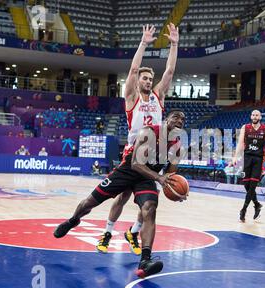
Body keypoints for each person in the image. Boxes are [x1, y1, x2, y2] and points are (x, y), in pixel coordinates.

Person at [53, 111, 186, 278]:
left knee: (150, 208)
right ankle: (73, 220)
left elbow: (171, 176)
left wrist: (176, 192)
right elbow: (137, 164)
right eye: (176, 117)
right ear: (166, 120)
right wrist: (159, 177)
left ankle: (145, 260)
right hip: (128, 170)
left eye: (183, 119)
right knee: (89, 203)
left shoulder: (178, 147)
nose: (179, 121)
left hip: (146, 178)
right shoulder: (149, 131)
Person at [95, 23, 179, 254]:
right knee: (121, 197)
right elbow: (132, 70)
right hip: (133, 153)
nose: (148, 81)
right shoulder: (132, 98)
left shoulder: (158, 96)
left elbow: (170, 71)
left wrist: (174, 44)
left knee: (148, 204)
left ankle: (132, 232)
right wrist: (143, 43)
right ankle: (107, 233)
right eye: (144, 78)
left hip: (154, 155)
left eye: (150, 78)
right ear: (138, 80)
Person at [232, 110, 265, 222]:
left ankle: (244, 210)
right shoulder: (245, 127)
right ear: (251, 116)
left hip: (258, 159)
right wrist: (235, 156)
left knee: (252, 185)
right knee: (246, 184)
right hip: (247, 158)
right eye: (253, 115)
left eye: (257, 115)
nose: (255, 116)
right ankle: (257, 204)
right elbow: (241, 143)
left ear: (260, 117)